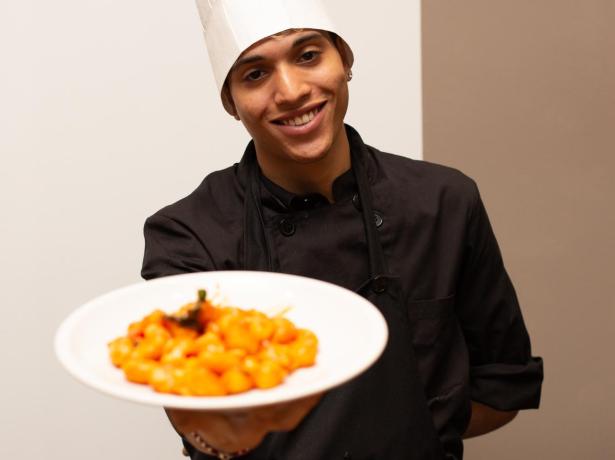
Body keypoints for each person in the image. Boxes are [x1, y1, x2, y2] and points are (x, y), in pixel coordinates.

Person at [141, 1, 544, 459]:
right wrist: (211, 435)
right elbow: (201, 422)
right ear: (231, 102)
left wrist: (413, 432)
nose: (291, 91)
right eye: (255, 74)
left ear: (345, 61)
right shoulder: (187, 236)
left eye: (308, 55)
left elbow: (501, 387)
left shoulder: (444, 203)